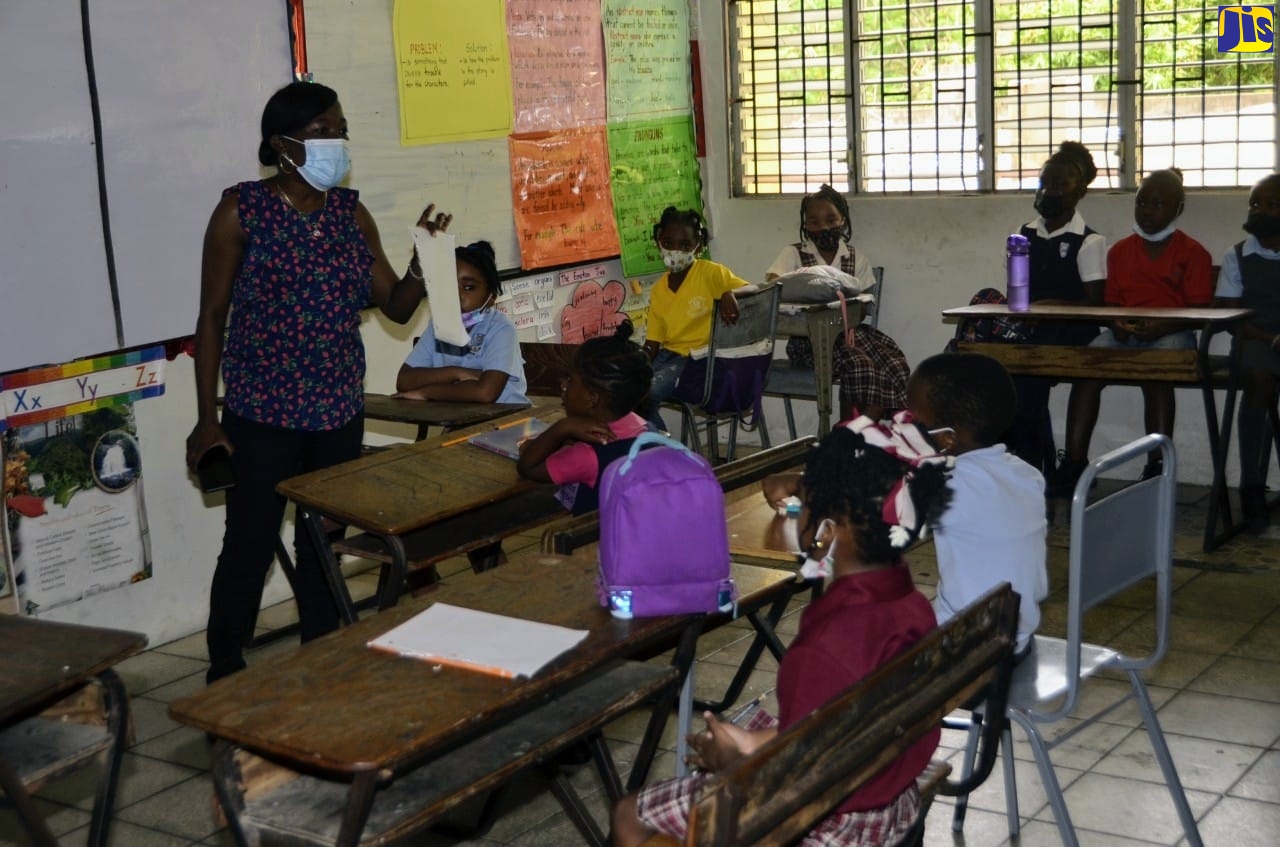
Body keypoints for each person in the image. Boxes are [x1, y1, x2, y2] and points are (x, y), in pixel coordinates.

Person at [185, 81, 451, 684]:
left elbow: (397, 308)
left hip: (336, 412)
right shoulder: (240, 211)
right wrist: (207, 417)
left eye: (341, 128)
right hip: (262, 414)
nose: (338, 141)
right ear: (283, 144)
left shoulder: (349, 214)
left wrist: (421, 263)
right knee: (249, 544)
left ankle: (322, 661)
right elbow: (210, 317)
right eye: (323, 131)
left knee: (322, 545)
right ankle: (224, 669)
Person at [614, 423, 951, 847]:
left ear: (827, 531)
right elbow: (842, 718)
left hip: (835, 819)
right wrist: (757, 741)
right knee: (753, 729)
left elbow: (806, 777)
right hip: (892, 796)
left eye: (807, 505)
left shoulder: (826, 646)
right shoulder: (911, 604)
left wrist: (733, 761)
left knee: (630, 814)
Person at [1055, 169, 1213, 491]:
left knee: (1155, 373)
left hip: (1173, 331)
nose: (1147, 212)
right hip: (1125, 332)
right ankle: (1074, 463)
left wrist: (1161, 326)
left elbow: (1199, 313)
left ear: (1177, 209)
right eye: (1142, 203)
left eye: (1157, 205)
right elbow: (1112, 304)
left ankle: (1157, 467)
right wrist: (1117, 323)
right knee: (1086, 368)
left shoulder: (1193, 253)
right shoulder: (1121, 251)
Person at [905, 353, 1048, 656]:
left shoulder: (953, 484)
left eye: (914, 422)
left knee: (850, 635)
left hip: (966, 657)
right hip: (1015, 640)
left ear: (946, 440)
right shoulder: (1027, 475)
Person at [765, 184, 911, 422]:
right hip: (808, 341)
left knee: (893, 361)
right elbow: (773, 286)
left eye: (831, 219)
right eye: (814, 222)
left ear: (843, 220)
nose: (823, 227)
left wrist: (846, 303)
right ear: (806, 226)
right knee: (859, 364)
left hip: (852, 334)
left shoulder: (855, 258)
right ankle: (850, 433)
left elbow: (863, 308)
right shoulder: (793, 254)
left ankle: (860, 433)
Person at [1011, 141, 1108, 483]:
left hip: (1073, 328)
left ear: (1080, 191)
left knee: (1029, 366)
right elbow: (1018, 290)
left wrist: (1051, 308)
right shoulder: (1025, 234)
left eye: (1060, 184)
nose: (1049, 190)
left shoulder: (1089, 241)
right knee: (1002, 363)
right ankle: (1026, 461)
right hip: (1033, 325)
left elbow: (1096, 303)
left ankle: (1054, 466)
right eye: (1045, 183)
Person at [516, 321, 652, 514]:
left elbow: (528, 468)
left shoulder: (587, 455)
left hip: (595, 538)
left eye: (570, 380)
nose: (564, 385)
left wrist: (562, 427)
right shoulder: (642, 425)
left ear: (591, 398)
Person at [1214, 172, 1280, 533]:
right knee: (1259, 379)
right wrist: (1271, 340)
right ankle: (1252, 485)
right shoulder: (1237, 255)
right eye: (1255, 203)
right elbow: (1230, 317)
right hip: (1255, 340)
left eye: (1272, 204)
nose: (1261, 210)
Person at [641, 207, 747, 430]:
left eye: (685, 245)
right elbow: (653, 343)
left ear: (697, 246)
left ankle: (669, 454)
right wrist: (632, 364)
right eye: (668, 243)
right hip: (668, 355)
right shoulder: (659, 289)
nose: (675, 251)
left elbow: (756, 291)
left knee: (646, 395)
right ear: (658, 242)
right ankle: (661, 448)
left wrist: (730, 293)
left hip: (700, 359)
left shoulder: (710, 273)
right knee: (626, 392)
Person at [395, 239, 528, 404]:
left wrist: (426, 392)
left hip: (507, 422)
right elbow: (404, 380)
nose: (456, 297)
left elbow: (485, 393)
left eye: (469, 288)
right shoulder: (437, 327)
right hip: (463, 420)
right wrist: (456, 373)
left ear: (491, 296)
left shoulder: (501, 330)